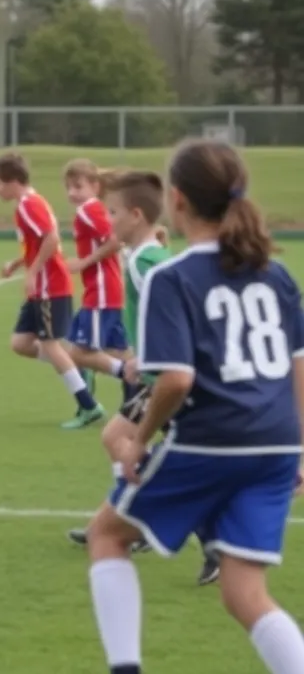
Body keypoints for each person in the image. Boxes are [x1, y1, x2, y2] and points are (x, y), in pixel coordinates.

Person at [85, 140, 304, 674]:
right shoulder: (275, 274)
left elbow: (177, 380)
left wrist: (139, 439)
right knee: (244, 592)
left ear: (177, 199)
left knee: (107, 535)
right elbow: (298, 365)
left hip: (213, 440)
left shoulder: (173, 277)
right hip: (276, 446)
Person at [64, 169, 218, 585]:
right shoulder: (142, 258)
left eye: (112, 213)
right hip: (157, 374)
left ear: (136, 216)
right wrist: (139, 359)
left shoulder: (146, 264)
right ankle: (134, 521)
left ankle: (198, 535)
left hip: (171, 380)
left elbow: (178, 317)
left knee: (134, 446)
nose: (107, 221)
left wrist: (154, 362)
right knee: (117, 438)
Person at [0, 152, 104, 429]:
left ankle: (88, 405)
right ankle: (75, 367)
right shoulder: (28, 203)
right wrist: (19, 263)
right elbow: (39, 242)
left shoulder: (28, 204)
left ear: (14, 181)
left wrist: (33, 271)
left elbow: (52, 238)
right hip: (42, 288)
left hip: (50, 286)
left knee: (51, 344)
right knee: (20, 343)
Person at [62, 159, 129, 403]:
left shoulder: (88, 210)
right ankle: (142, 390)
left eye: (78, 186)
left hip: (101, 292)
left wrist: (82, 263)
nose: (72, 193)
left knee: (78, 353)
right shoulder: (95, 209)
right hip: (108, 291)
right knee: (118, 352)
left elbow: (115, 241)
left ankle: (132, 377)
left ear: (95, 186)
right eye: (68, 187)